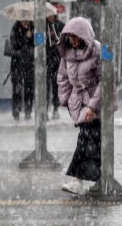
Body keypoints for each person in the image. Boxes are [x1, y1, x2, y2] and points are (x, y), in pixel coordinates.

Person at [56, 16, 102, 196]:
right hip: (79, 103)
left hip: (95, 104)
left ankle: (78, 179)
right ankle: (97, 179)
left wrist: (92, 106)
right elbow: (63, 77)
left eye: (76, 37)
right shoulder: (67, 54)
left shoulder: (97, 51)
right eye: (69, 37)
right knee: (90, 142)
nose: (73, 40)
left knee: (87, 141)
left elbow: (104, 81)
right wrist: (66, 99)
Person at [8, 19, 35, 121]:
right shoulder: (15, 29)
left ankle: (28, 111)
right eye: (23, 20)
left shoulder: (33, 28)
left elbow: (38, 44)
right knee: (17, 89)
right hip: (17, 64)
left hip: (29, 64)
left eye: (26, 20)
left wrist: (31, 36)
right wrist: (24, 37)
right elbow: (14, 44)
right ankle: (16, 111)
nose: (25, 22)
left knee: (29, 89)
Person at [45, 14, 65, 120]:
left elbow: (64, 40)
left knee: (56, 86)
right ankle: (45, 109)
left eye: (52, 15)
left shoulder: (60, 25)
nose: (51, 17)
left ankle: (55, 108)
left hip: (57, 61)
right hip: (46, 61)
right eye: (49, 15)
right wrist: (47, 36)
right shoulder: (43, 26)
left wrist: (57, 35)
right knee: (45, 87)